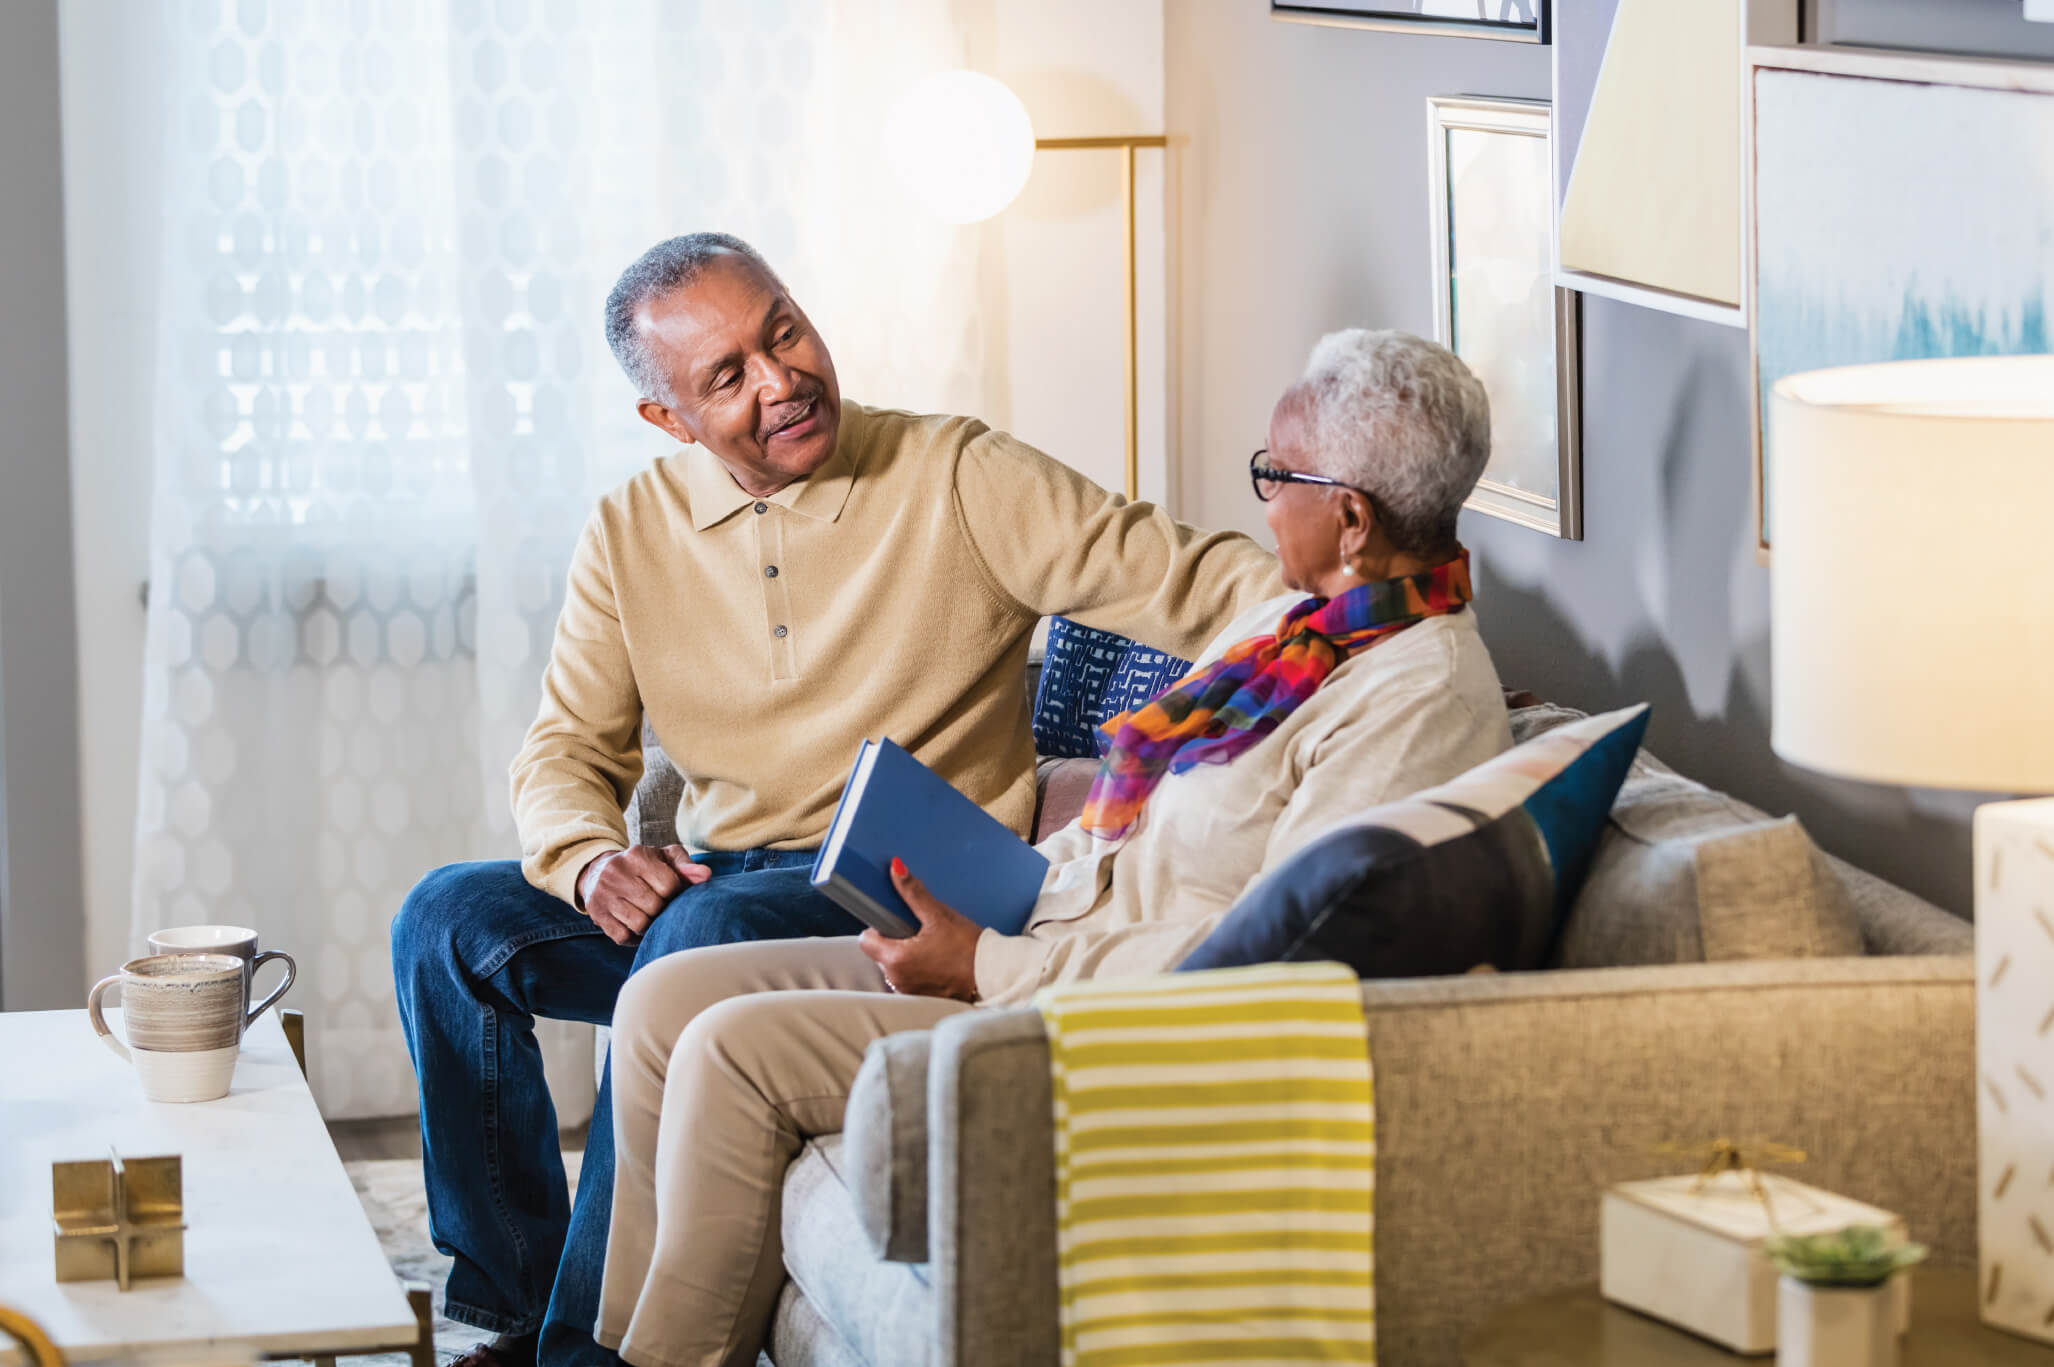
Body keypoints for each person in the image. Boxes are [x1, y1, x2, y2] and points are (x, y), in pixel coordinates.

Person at [388, 232, 1284, 1367]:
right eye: (728, 375)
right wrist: (586, 858)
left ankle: (583, 1353)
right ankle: (516, 1305)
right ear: (669, 420)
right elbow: (566, 744)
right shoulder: (628, 533)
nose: (781, 379)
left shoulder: (956, 473)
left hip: (916, 887)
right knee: (446, 921)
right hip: (725, 877)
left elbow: (1189, 580)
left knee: (689, 932)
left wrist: (1359, 611)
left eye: (783, 330)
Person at [591, 328, 1514, 1367]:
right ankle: (595, 1352)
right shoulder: (1300, 627)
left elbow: (1269, 968)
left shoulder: (1413, 700)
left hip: (1094, 1009)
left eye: (1271, 474)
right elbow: (1145, 816)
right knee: (660, 1004)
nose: (1259, 501)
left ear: (1347, 515)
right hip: (1033, 924)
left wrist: (981, 962)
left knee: (731, 1048)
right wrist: (983, 886)